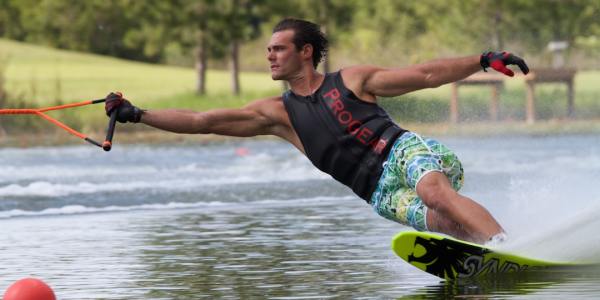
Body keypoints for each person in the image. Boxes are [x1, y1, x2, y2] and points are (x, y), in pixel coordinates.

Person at [105, 18, 529, 244]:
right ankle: (490, 255)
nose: (270, 56)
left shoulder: (353, 81)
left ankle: (506, 246)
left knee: (435, 195)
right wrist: (138, 113)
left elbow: (424, 74)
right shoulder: (277, 115)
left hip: (405, 152)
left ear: (305, 52)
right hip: (377, 192)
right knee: (439, 219)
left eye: (278, 48)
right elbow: (202, 121)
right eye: (268, 50)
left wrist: (482, 59)